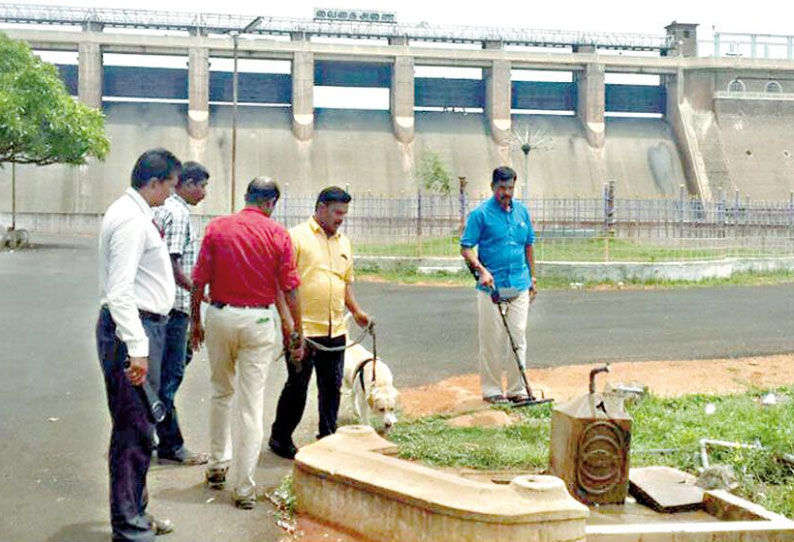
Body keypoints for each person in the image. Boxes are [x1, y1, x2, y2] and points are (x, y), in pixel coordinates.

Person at [190, 177, 304, 510]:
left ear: (246, 197)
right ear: (271, 203)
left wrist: (195, 320)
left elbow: (199, 280)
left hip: (221, 316)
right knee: (251, 405)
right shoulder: (277, 234)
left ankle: (217, 464)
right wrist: (296, 329)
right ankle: (244, 487)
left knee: (221, 391)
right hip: (258, 320)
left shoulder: (217, 228)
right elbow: (290, 286)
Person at [96, 148, 181, 541]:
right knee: (133, 432)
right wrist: (138, 347)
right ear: (153, 182)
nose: (171, 194)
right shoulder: (131, 219)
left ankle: (138, 514)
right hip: (135, 330)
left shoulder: (134, 213)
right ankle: (129, 527)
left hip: (143, 328)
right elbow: (120, 290)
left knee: (141, 428)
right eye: (170, 186)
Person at [269, 186, 370, 460]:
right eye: (337, 212)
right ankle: (280, 437)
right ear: (321, 207)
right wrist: (288, 324)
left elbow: (344, 283)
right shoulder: (296, 238)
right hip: (304, 331)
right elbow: (280, 285)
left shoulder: (344, 243)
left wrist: (357, 312)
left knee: (332, 387)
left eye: (345, 214)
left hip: (335, 329)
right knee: (298, 386)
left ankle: (328, 436)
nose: (341, 219)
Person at [460, 166, 538, 405]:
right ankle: (492, 390)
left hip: (519, 284)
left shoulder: (522, 212)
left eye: (510, 188)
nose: (506, 193)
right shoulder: (480, 215)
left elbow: (529, 245)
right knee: (492, 339)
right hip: (491, 288)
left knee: (518, 337)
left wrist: (533, 278)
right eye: (502, 188)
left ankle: (517, 390)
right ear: (493, 187)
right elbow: (466, 247)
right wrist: (481, 270)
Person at [152, 162, 210, 465]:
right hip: (175, 308)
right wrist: (198, 292)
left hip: (167, 306)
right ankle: (171, 445)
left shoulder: (163, 210)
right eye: (201, 186)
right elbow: (171, 263)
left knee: (162, 376)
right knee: (169, 378)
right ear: (186, 184)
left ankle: (151, 435)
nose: (203, 192)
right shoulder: (177, 213)